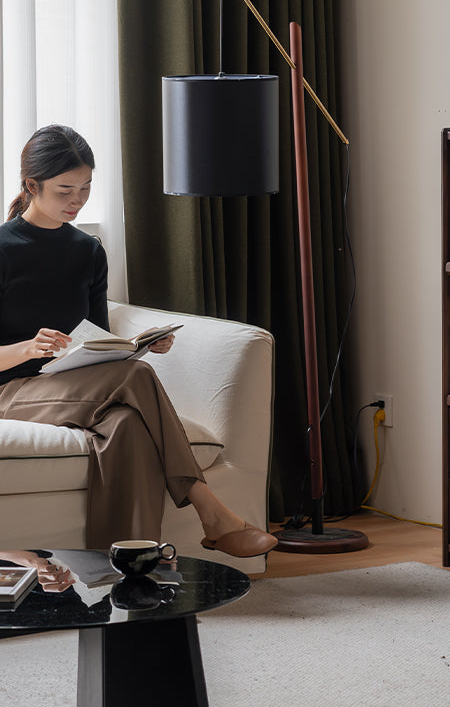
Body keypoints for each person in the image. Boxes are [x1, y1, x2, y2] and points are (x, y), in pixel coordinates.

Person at [0, 124, 277, 557]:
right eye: (64, 190)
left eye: (86, 188)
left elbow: (93, 338)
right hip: (10, 390)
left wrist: (134, 344)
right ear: (31, 186)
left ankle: (119, 570)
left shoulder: (87, 250)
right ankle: (212, 511)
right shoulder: (2, 250)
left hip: (71, 386)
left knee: (128, 422)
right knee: (137, 377)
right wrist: (27, 348)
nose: (77, 200)